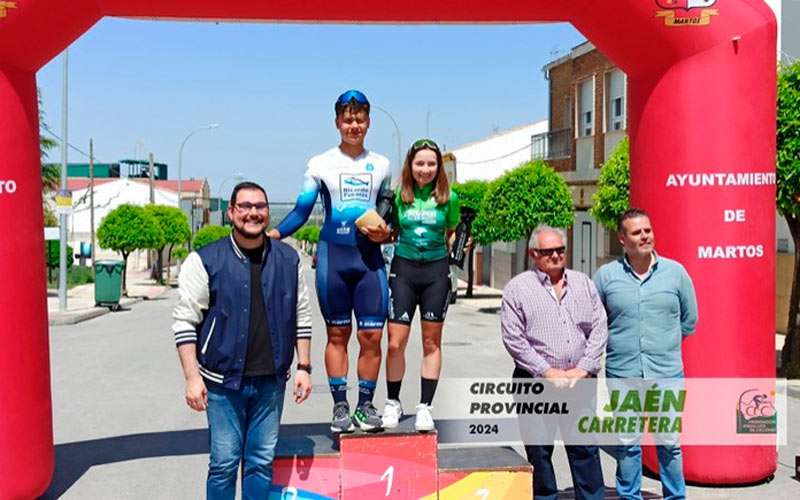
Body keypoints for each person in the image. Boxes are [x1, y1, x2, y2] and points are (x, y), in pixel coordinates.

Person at [172, 181, 313, 499]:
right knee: (223, 464)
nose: (253, 213)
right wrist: (192, 378)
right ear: (232, 212)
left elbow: (301, 315)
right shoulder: (205, 260)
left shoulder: (289, 260)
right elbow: (185, 321)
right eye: (245, 206)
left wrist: (303, 366)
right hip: (222, 386)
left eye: (260, 206)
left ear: (268, 212)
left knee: (260, 463)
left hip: (271, 383)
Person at [267, 90, 391, 432]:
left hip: (368, 261)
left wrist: (387, 232)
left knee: (371, 337)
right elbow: (302, 210)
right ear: (337, 122)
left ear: (368, 122)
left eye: (360, 119)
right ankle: (340, 406)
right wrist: (273, 236)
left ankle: (365, 405)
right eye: (347, 119)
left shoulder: (382, 165)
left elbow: (386, 212)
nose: (354, 125)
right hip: (333, 258)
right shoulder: (319, 163)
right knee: (337, 334)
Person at [593, 208, 698, 500]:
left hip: (666, 375)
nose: (645, 236)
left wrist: (663, 345)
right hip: (623, 374)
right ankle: (630, 497)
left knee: (669, 443)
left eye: (647, 230)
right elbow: (594, 320)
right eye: (637, 232)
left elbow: (689, 320)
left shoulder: (675, 273)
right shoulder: (606, 277)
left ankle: (675, 497)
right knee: (627, 443)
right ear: (622, 239)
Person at [500, 225, 607, 500]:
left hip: (579, 383)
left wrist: (583, 368)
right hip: (535, 383)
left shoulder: (584, 283)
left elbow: (599, 328)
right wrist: (546, 371)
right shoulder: (517, 289)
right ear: (534, 253)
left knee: (585, 449)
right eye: (549, 252)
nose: (557, 256)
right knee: (540, 452)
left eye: (561, 250)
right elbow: (514, 339)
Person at [380, 138, 460, 432]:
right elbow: (389, 231)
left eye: (431, 163)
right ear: (410, 166)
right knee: (395, 342)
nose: (425, 169)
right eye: (419, 163)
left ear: (438, 167)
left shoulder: (450, 198)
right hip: (404, 269)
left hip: (436, 273)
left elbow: (452, 231)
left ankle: (425, 407)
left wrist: (460, 244)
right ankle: (392, 402)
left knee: (431, 343)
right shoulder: (400, 196)